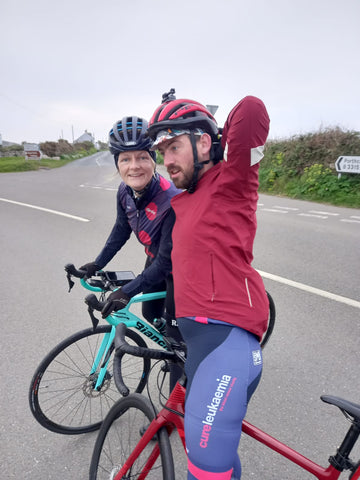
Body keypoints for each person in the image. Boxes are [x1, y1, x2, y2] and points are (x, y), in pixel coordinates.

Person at [147, 93, 270, 479]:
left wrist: (215, 138)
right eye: (162, 150)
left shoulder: (232, 180)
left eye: (175, 145)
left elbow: (251, 109)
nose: (167, 160)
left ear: (203, 143)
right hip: (200, 345)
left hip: (225, 344)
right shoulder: (187, 198)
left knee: (203, 470)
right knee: (211, 462)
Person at [80, 116, 183, 387]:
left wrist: (127, 291)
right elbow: (120, 230)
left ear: (153, 159)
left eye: (141, 158)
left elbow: (166, 262)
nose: (134, 166)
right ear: (117, 163)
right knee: (150, 314)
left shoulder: (171, 201)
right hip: (156, 260)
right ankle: (171, 337)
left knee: (177, 346)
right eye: (125, 159)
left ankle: (176, 407)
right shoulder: (125, 192)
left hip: (179, 270)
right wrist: (96, 264)